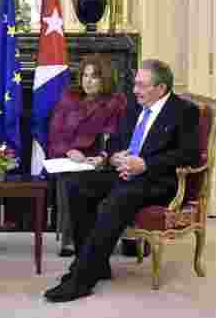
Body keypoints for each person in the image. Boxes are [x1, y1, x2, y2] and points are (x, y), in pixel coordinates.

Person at [43, 59, 199, 303]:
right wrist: (113, 155)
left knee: (117, 200)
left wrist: (145, 164)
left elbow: (188, 153)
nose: (135, 90)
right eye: (135, 83)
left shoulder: (184, 111)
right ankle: (97, 263)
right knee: (77, 185)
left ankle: (82, 278)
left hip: (157, 180)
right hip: (124, 172)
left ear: (160, 89)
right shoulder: (135, 107)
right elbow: (117, 139)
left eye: (141, 85)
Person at [47, 55, 128, 257]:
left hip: (101, 159)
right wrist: (69, 150)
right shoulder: (69, 96)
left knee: (82, 180)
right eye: (84, 75)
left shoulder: (116, 102)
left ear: (105, 79)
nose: (87, 81)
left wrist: (103, 156)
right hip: (70, 157)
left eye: (94, 76)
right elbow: (55, 132)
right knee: (69, 178)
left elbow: (117, 136)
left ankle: (94, 239)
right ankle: (71, 239)